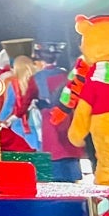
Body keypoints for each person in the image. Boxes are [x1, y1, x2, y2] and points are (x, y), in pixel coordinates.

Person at [33, 45, 87, 182]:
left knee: (55, 158)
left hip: (49, 119)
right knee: (69, 153)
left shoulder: (37, 78)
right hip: (68, 117)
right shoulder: (66, 75)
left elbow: (32, 98)